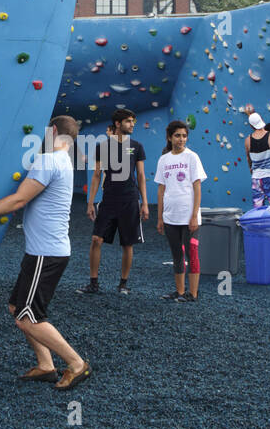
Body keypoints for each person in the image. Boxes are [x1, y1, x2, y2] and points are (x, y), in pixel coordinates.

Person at [0, 116, 92, 389]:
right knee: (17, 307)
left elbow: (19, 199)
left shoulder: (49, 161)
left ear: (52, 131)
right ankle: (46, 365)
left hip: (46, 254)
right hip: (44, 251)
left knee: (28, 318)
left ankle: (76, 364)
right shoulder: (62, 161)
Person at [78, 109, 149, 295]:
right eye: (128, 121)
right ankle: (93, 283)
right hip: (109, 200)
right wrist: (90, 202)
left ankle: (123, 284)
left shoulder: (137, 146)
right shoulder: (102, 146)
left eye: (133, 121)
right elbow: (96, 175)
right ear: (117, 124)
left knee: (128, 244)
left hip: (130, 200)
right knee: (96, 239)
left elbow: (141, 175)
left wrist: (145, 203)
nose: (132, 124)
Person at [154, 120, 206, 302]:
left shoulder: (192, 157)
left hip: (189, 217)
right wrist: (160, 218)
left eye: (184, 136)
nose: (181, 139)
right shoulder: (164, 159)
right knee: (177, 255)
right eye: (177, 135)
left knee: (192, 255)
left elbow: (197, 188)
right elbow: (161, 190)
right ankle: (180, 292)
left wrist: (194, 216)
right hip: (170, 217)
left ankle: (193, 294)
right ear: (170, 137)